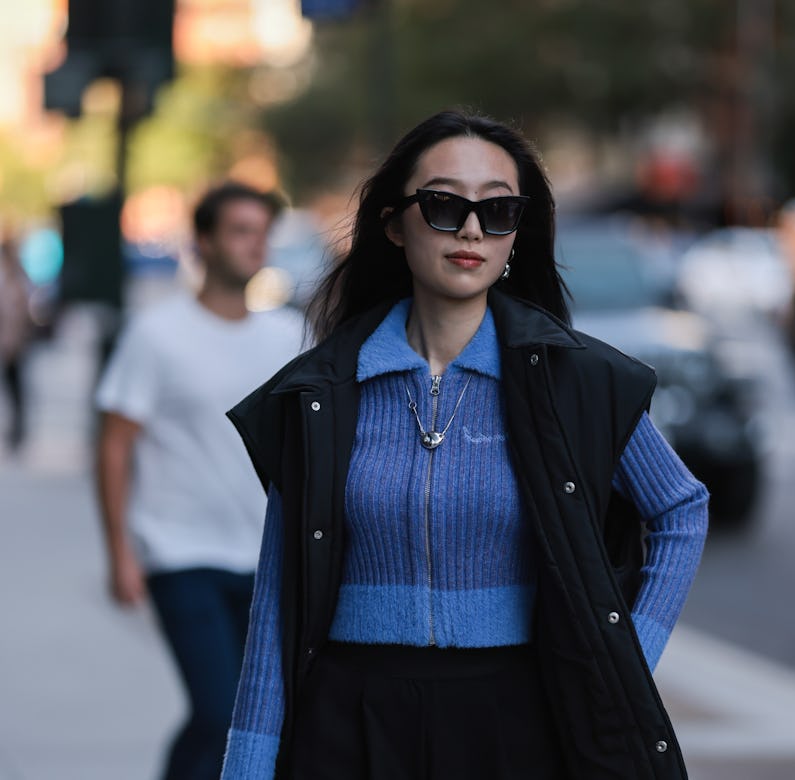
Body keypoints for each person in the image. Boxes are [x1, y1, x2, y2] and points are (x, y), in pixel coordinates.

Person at [220, 111, 709, 779]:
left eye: (498, 210)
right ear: (394, 223)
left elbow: (681, 509)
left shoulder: (572, 382)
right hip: (348, 723)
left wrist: (625, 657)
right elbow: (279, 603)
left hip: (513, 720)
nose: (473, 228)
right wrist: (245, 766)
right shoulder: (321, 392)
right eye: (445, 204)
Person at [94, 182, 304, 780]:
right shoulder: (156, 334)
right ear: (205, 242)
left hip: (267, 556)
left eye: (261, 232)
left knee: (262, 718)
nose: (253, 245)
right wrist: (119, 553)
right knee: (219, 712)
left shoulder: (287, 336)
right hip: (179, 552)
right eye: (240, 231)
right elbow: (113, 444)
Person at [0, 236, 33, 452]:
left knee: (16, 388)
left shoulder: (17, 276)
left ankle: (17, 432)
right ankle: (17, 431)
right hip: (11, 341)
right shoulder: (12, 276)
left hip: (14, 343)